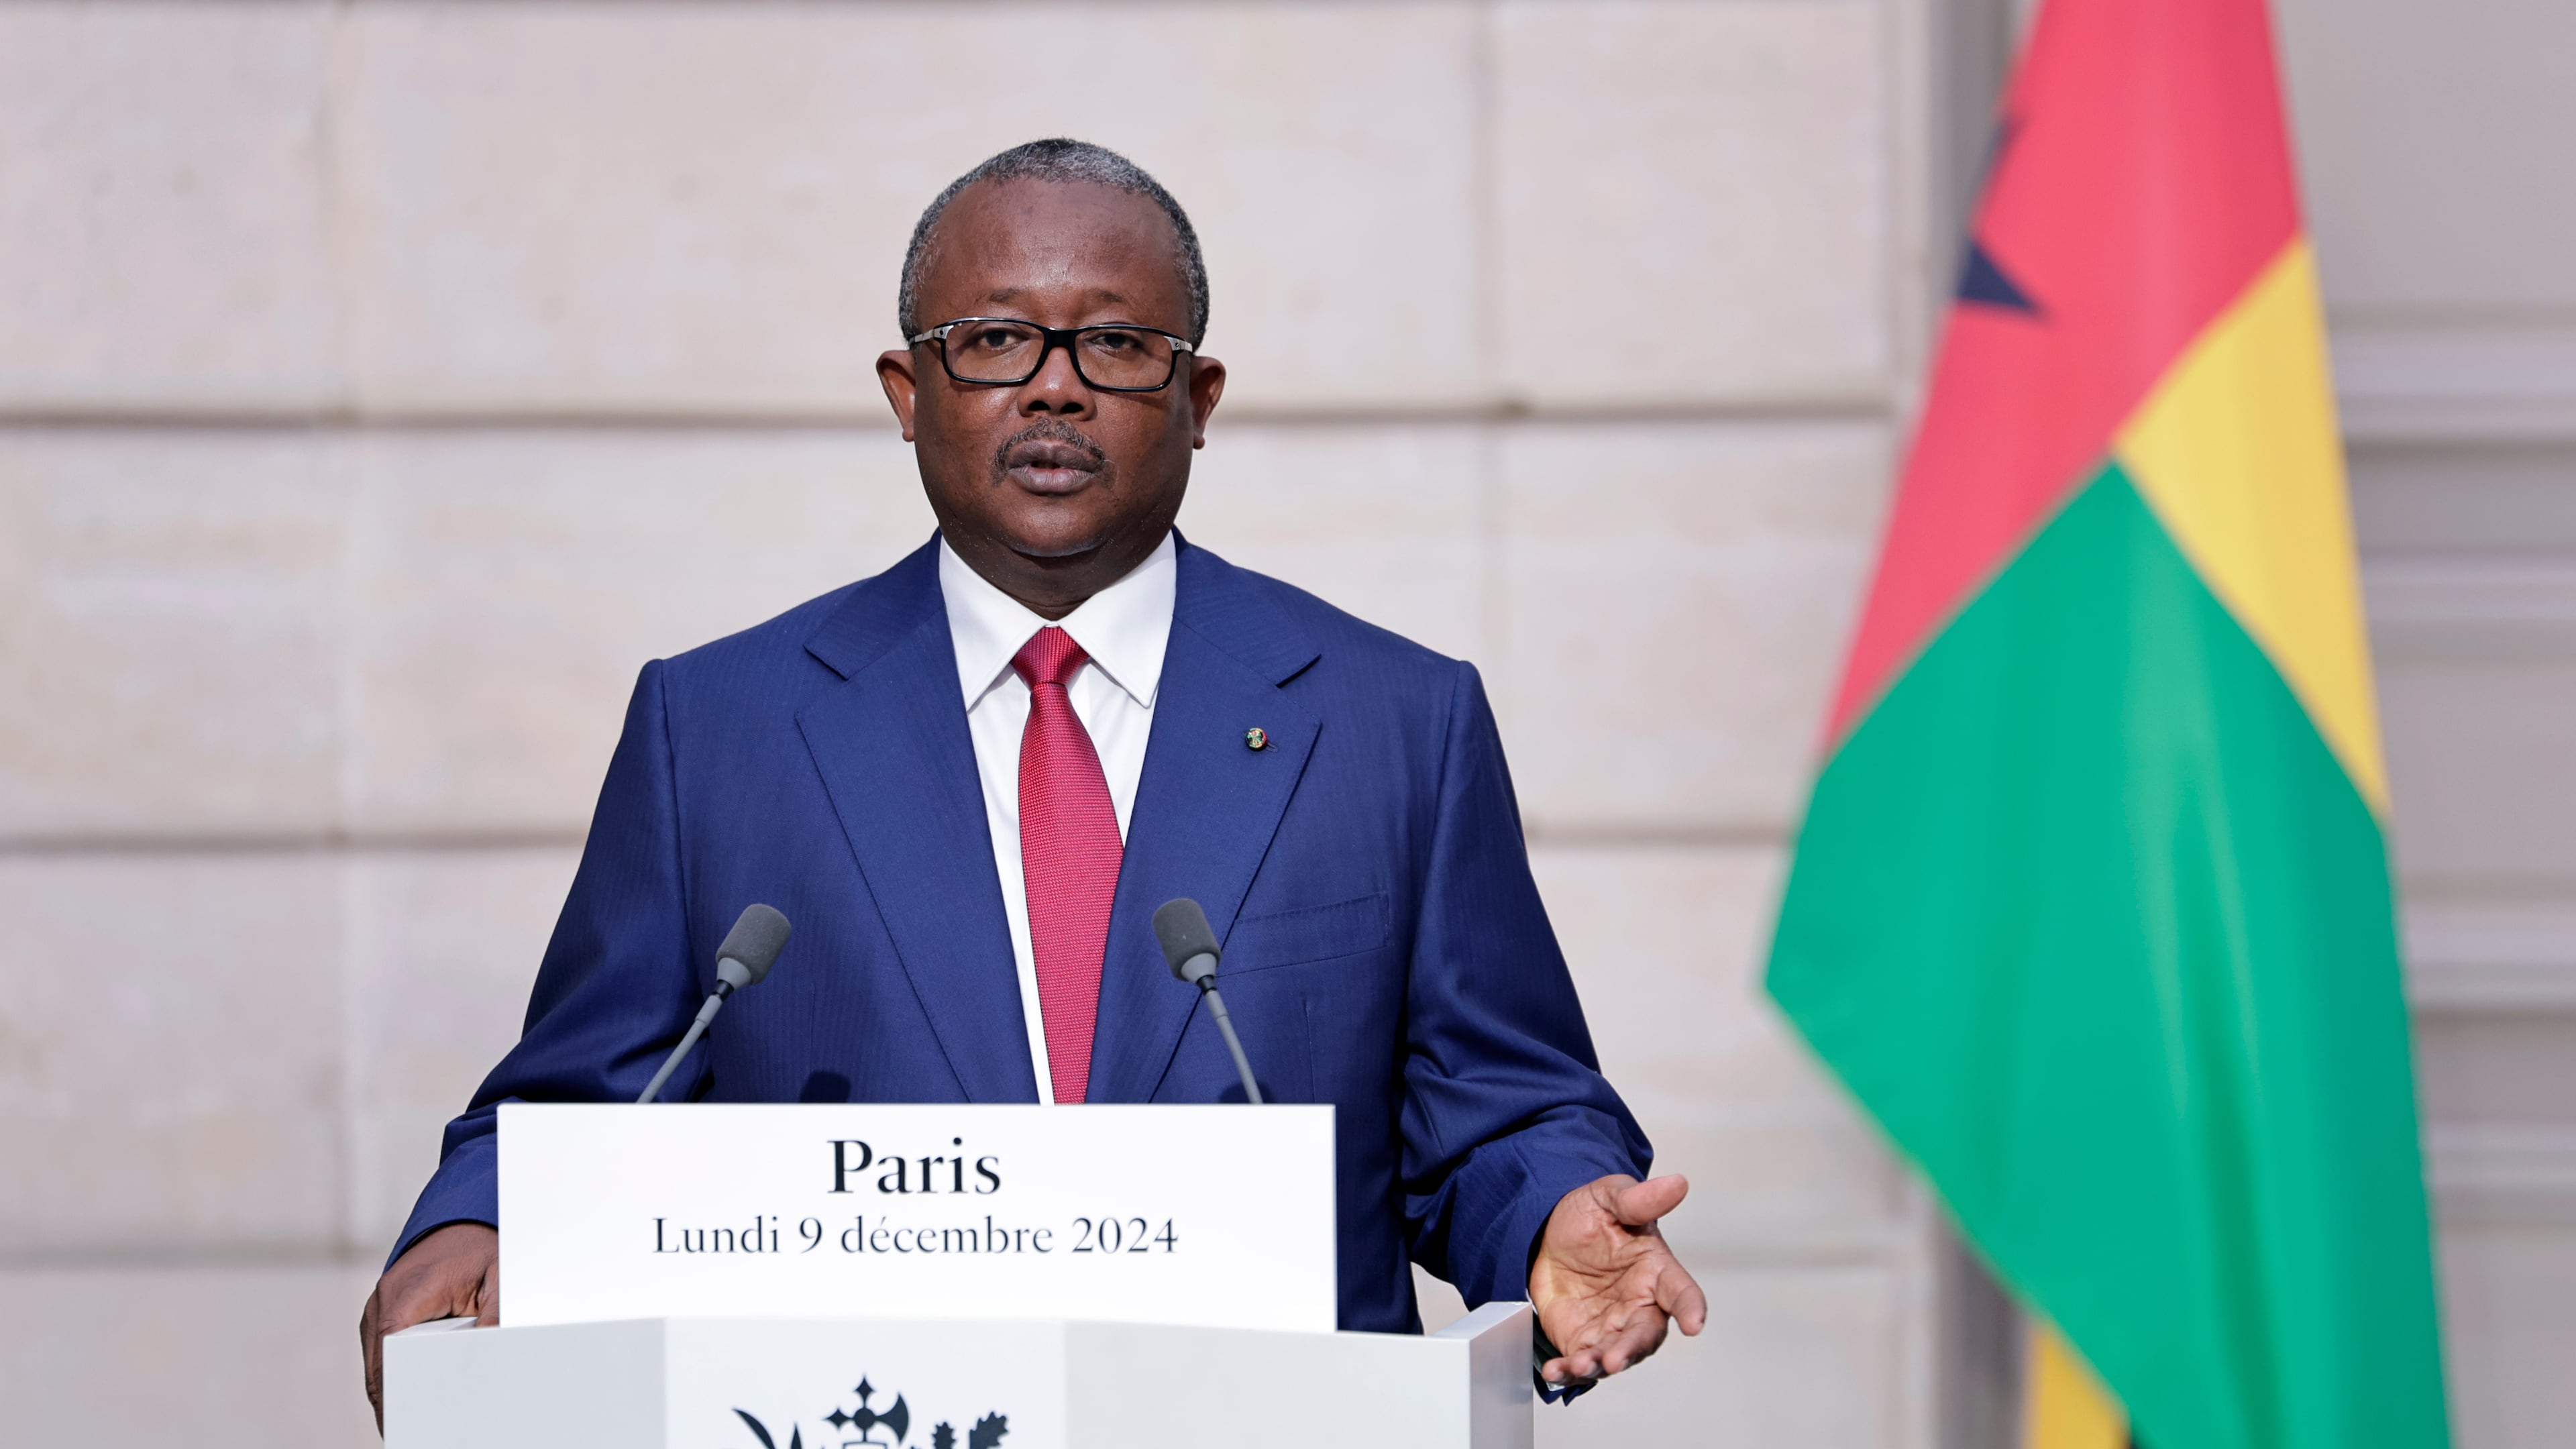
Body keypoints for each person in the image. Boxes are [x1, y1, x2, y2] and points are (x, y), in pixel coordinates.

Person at [359, 138, 1705, 1422]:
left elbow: (1497, 1102)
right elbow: (587, 1104)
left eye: (1116, 344)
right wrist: (477, 1219)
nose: (1054, 387)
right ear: (907, 395)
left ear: (1198, 399)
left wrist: (1550, 1211)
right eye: (995, 341)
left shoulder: (1394, 718)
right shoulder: (717, 726)